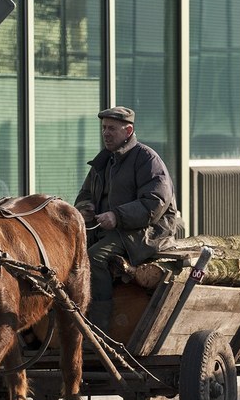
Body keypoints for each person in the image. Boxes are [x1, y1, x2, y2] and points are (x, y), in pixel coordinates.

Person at [74, 106, 184, 332]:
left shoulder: (146, 159)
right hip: (109, 230)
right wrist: (85, 208)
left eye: (112, 128)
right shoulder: (103, 161)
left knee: (94, 257)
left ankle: (99, 327)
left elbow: (155, 202)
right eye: (104, 128)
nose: (106, 133)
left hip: (146, 231)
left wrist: (117, 216)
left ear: (128, 130)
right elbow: (84, 194)